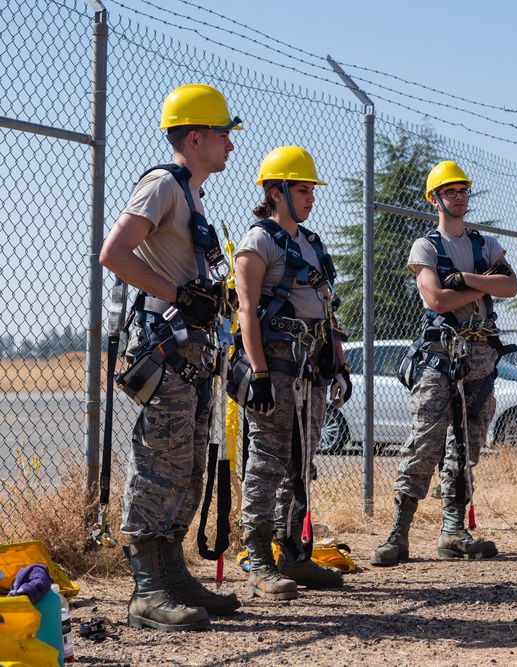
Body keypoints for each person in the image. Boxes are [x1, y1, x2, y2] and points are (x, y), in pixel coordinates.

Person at [99, 84, 243, 631]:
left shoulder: (191, 193)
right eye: (224, 134)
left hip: (194, 351)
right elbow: (114, 253)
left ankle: (173, 573)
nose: (231, 144)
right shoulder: (162, 184)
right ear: (196, 136)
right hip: (168, 347)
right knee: (160, 463)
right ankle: (146, 590)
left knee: (186, 465)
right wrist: (180, 295)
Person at [370, 160, 517, 567]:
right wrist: (479, 285)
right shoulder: (426, 247)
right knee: (424, 442)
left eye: (463, 191)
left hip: (482, 359)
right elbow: (436, 300)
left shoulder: (483, 244)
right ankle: (398, 535)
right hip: (440, 356)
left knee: (466, 446)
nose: (459, 197)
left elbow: (510, 286)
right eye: (450, 192)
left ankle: (452, 531)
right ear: (435, 199)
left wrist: (465, 280)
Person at [233, 146, 351, 600]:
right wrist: (259, 374)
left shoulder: (313, 244)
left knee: (301, 462)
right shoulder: (258, 240)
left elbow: (328, 313)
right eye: (302, 189)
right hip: (277, 363)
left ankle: (294, 554)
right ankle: (259, 559)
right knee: (267, 461)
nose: (311, 197)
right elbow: (246, 310)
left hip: (312, 366)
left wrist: (339, 365)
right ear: (276, 191)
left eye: (310, 190)